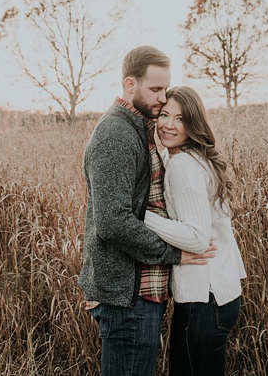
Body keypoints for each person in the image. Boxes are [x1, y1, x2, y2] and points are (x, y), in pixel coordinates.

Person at [79, 46, 215, 376]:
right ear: (130, 85)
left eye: (165, 89)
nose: (161, 98)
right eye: (155, 89)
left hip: (141, 294)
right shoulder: (116, 133)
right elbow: (112, 221)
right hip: (129, 298)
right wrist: (174, 253)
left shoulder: (139, 128)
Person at [143, 85, 246, 376]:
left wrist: (142, 218)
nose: (169, 125)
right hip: (222, 295)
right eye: (164, 115)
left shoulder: (183, 165)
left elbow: (197, 238)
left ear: (194, 123)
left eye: (180, 118)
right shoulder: (195, 158)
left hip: (204, 296)